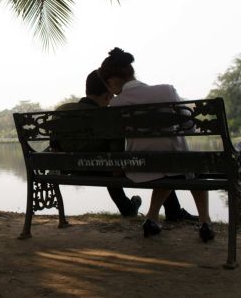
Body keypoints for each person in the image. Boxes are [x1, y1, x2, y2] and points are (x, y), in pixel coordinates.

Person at [98, 48, 213, 242]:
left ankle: (151, 218)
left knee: (165, 166)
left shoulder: (116, 105)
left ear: (113, 81)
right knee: (182, 163)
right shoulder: (166, 91)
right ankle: (205, 221)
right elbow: (188, 125)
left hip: (137, 168)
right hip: (175, 163)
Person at [55, 70, 193, 219]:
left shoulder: (62, 110)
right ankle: (173, 211)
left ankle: (128, 208)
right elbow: (116, 152)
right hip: (103, 168)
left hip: (69, 168)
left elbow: (54, 145)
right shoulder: (108, 115)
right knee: (149, 163)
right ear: (108, 94)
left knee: (111, 165)